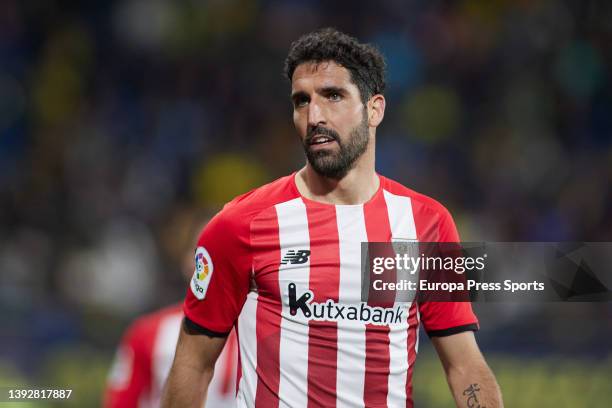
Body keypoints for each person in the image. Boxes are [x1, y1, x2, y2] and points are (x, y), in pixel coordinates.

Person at [162, 28, 503, 407]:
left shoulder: (426, 224)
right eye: (301, 101)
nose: (315, 115)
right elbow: (194, 362)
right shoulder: (241, 225)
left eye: (333, 96)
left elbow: (464, 365)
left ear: (375, 109)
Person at [104, 215, 237, 408]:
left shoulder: (276, 330)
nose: (219, 264)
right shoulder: (148, 332)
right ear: (188, 262)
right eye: (207, 254)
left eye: (228, 254)